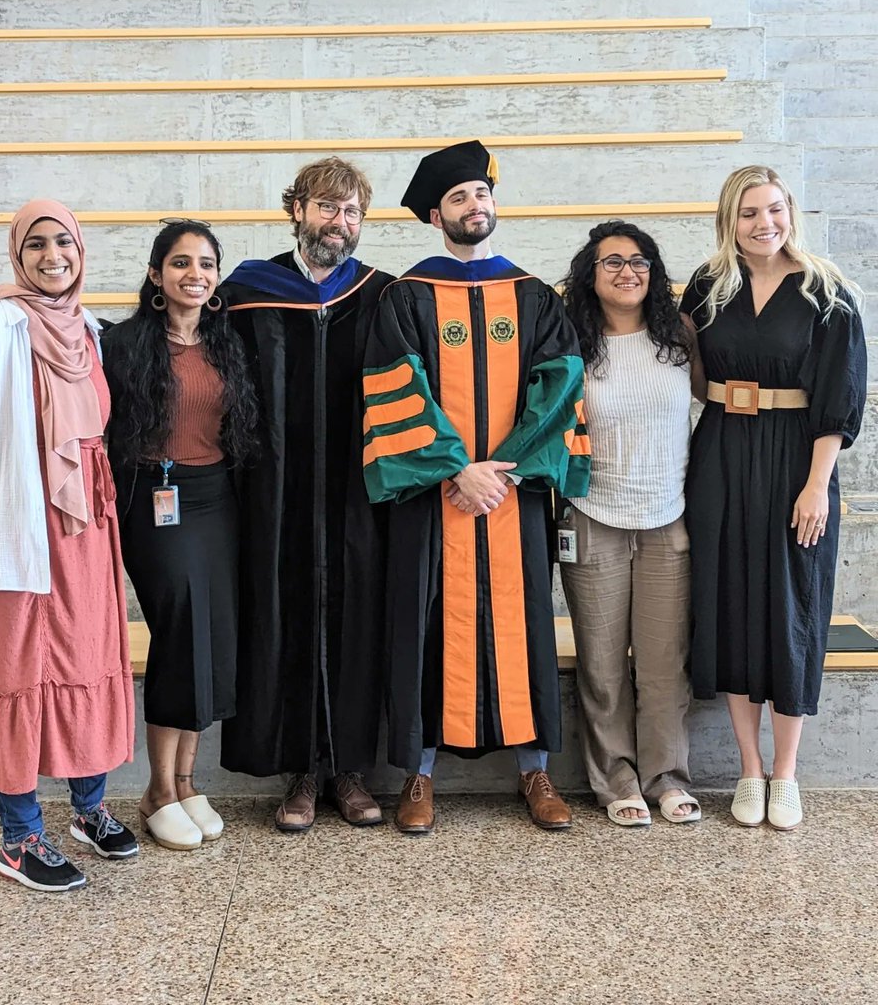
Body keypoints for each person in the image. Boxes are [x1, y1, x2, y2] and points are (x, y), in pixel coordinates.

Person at [362, 140, 591, 834]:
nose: (474, 206)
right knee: (424, 622)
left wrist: (505, 468)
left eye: (481, 195)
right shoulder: (405, 297)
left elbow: (560, 389)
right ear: (436, 215)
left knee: (525, 625)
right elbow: (396, 387)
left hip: (511, 496)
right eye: (458, 198)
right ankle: (418, 777)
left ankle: (536, 768)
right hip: (436, 499)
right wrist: (456, 469)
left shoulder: (534, 296)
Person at [0, 200, 137, 892]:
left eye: (65, 243)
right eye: (38, 245)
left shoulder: (92, 332)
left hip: (85, 536)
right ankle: (19, 839)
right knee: (13, 676)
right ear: (18, 255)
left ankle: (88, 809)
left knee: (89, 662)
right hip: (15, 535)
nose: (54, 257)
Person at [681, 166, 866, 831]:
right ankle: (748, 770)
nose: (765, 224)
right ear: (729, 220)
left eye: (775, 209)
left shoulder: (828, 291)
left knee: (793, 604)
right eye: (750, 213)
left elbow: (840, 399)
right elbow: (690, 370)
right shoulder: (708, 286)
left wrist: (817, 485)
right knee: (731, 600)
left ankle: (785, 773)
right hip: (723, 451)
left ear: (791, 211)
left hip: (796, 458)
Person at [219, 158, 394, 832]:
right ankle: (299, 771)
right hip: (276, 491)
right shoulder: (246, 290)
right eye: (327, 208)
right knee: (285, 615)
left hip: (356, 490)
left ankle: (349, 770)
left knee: (357, 620)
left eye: (351, 213)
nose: (339, 223)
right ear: (296, 209)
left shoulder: (381, 293)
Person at [102, 221, 257, 851]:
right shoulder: (123, 344)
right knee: (181, 630)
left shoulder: (226, 342)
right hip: (152, 501)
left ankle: (188, 780)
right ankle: (156, 790)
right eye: (181, 263)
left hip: (216, 498)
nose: (195, 274)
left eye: (207, 264)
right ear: (155, 274)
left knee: (213, 635)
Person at [559, 221, 700, 827]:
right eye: (612, 261)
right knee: (602, 663)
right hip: (593, 517)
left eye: (640, 261)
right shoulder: (571, 342)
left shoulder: (680, 337)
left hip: (668, 517)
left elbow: (715, 405)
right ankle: (617, 777)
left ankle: (667, 775)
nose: (628, 271)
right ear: (590, 274)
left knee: (666, 661)